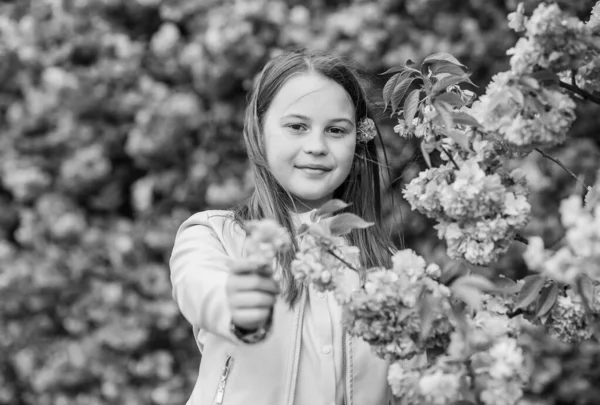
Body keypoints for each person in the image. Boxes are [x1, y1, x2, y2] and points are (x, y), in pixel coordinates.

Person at [169, 48, 397, 405]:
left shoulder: (388, 270)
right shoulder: (214, 236)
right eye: (297, 126)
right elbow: (199, 285)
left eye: (336, 130)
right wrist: (235, 301)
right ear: (260, 132)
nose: (317, 146)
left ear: (357, 141)